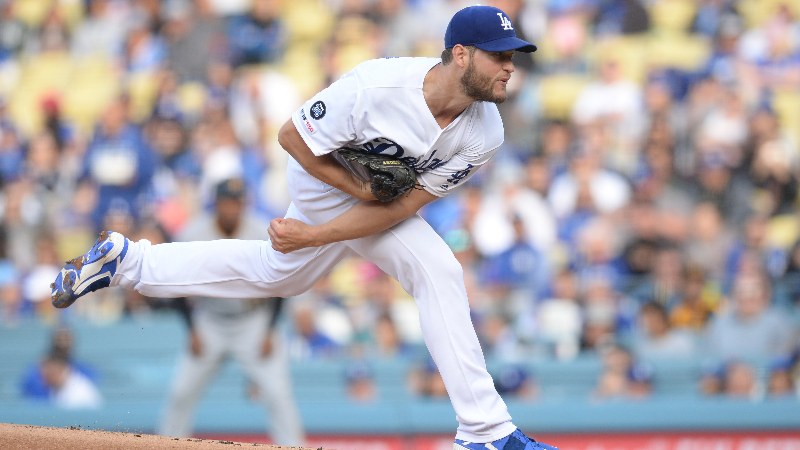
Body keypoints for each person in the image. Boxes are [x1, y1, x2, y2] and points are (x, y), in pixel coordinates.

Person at [51, 6, 558, 450]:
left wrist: (315, 235)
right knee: (438, 269)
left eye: (513, 55)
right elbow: (291, 136)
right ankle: (486, 432)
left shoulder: (486, 129)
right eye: (500, 55)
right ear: (462, 54)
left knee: (283, 274)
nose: (511, 66)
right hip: (321, 175)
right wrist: (353, 193)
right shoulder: (378, 85)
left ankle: (126, 260)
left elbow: (401, 207)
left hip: (376, 202)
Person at [158, 178, 304, 446]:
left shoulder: (262, 230)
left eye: (237, 202)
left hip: (255, 322)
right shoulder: (194, 233)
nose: (232, 207)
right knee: (180, 393)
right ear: (216, 204)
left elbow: (283, 283)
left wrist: (270, 330)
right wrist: (191, 329)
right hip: (209, 322)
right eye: (227, 201)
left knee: (278, 395)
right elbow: (172, 284)